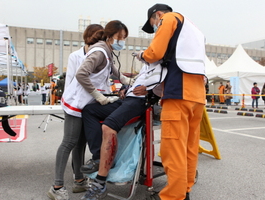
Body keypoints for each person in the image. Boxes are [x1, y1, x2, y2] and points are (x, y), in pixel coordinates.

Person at [47, 21, 131, 200]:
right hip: (77, 102)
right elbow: (80, 74)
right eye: (120, 38)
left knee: (80, 144)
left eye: (124, 38)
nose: (122, 41)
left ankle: (79, 181)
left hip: (87, 104)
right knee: (69, 142)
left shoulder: (107, 52)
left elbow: (114, 71)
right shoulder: (100, 52)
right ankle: (56, 186)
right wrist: (97, 95)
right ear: (110, 36)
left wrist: (128, 81)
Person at [135, 4, 206, 200]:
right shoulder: (193, 29)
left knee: (172, 148)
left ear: (158, 15)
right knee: (189, 146)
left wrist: (142, 55)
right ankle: (185, 189)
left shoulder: (169, 19)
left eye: (153, 24)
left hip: (178, 91)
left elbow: (155, 53)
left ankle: (174, 196)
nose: (156, 28)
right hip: (198, 94)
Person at [80, 64, 153, 200]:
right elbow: (136, 81)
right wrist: (125, 88)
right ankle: (98, 157)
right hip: (126, 99)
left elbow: (169, 87)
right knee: (89, 110)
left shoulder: (164, 64)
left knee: (108, 126)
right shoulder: (146, 66)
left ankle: (100, 184)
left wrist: (150, 92)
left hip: (140, 102)